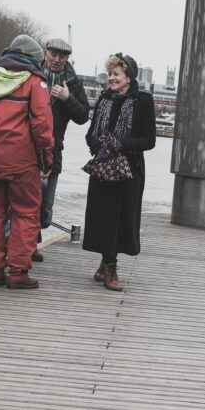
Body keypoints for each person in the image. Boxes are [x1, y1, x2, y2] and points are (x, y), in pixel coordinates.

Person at [0, 34, 54, 289]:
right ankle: (18, 274)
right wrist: (47, 158)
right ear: (35, 60)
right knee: (26, 213)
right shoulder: (35, 82)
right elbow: (42, 126)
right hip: (21, 161)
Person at [83, 53, 156, 292]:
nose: (112, 79)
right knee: (103, 217)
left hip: (129, 169)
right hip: (103, 166)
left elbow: (149, 140)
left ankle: (109, 265)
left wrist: (121, 144)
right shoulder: (103, 99)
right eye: (110, 74)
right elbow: (90, 134)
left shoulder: (143, 101)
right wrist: (99, 147)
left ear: (128, 77)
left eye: (116, 74)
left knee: (121, 219)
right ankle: (108, 264)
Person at [32, 38, 91, 263]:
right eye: (53, 54)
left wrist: (68, 99)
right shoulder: (32, 74)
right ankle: (30, 246)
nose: (57, 60)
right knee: (27, 201)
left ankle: (40, 228)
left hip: (54, 151)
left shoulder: (73, 82)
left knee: (45, 206)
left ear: (67, 59)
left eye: (62, 56)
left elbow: (83, 116)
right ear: (45, 53)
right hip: (27, 148)